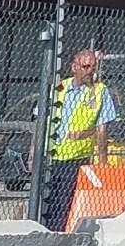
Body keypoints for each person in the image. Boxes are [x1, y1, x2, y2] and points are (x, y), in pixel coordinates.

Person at [40, 48, 119, 231]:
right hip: (49, 155)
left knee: (62, 205)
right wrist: (32, 154)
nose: (89, 71)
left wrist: (102, 163)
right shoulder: (58, 88)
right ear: (74, 67)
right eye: (85, 66)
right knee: (42, 203)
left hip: (75, 158)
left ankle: (56, 236)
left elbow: (102, 129)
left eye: (93, 66)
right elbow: (40, 123)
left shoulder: (99, 91)